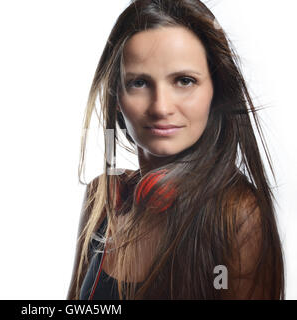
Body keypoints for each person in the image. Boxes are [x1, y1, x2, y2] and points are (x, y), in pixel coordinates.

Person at [67, 0, 285, 300]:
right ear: (116, 95)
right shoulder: (102, 199)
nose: (161, 107)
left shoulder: (236, 216)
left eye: (184, 81)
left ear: (215, 91)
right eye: (140, 82)